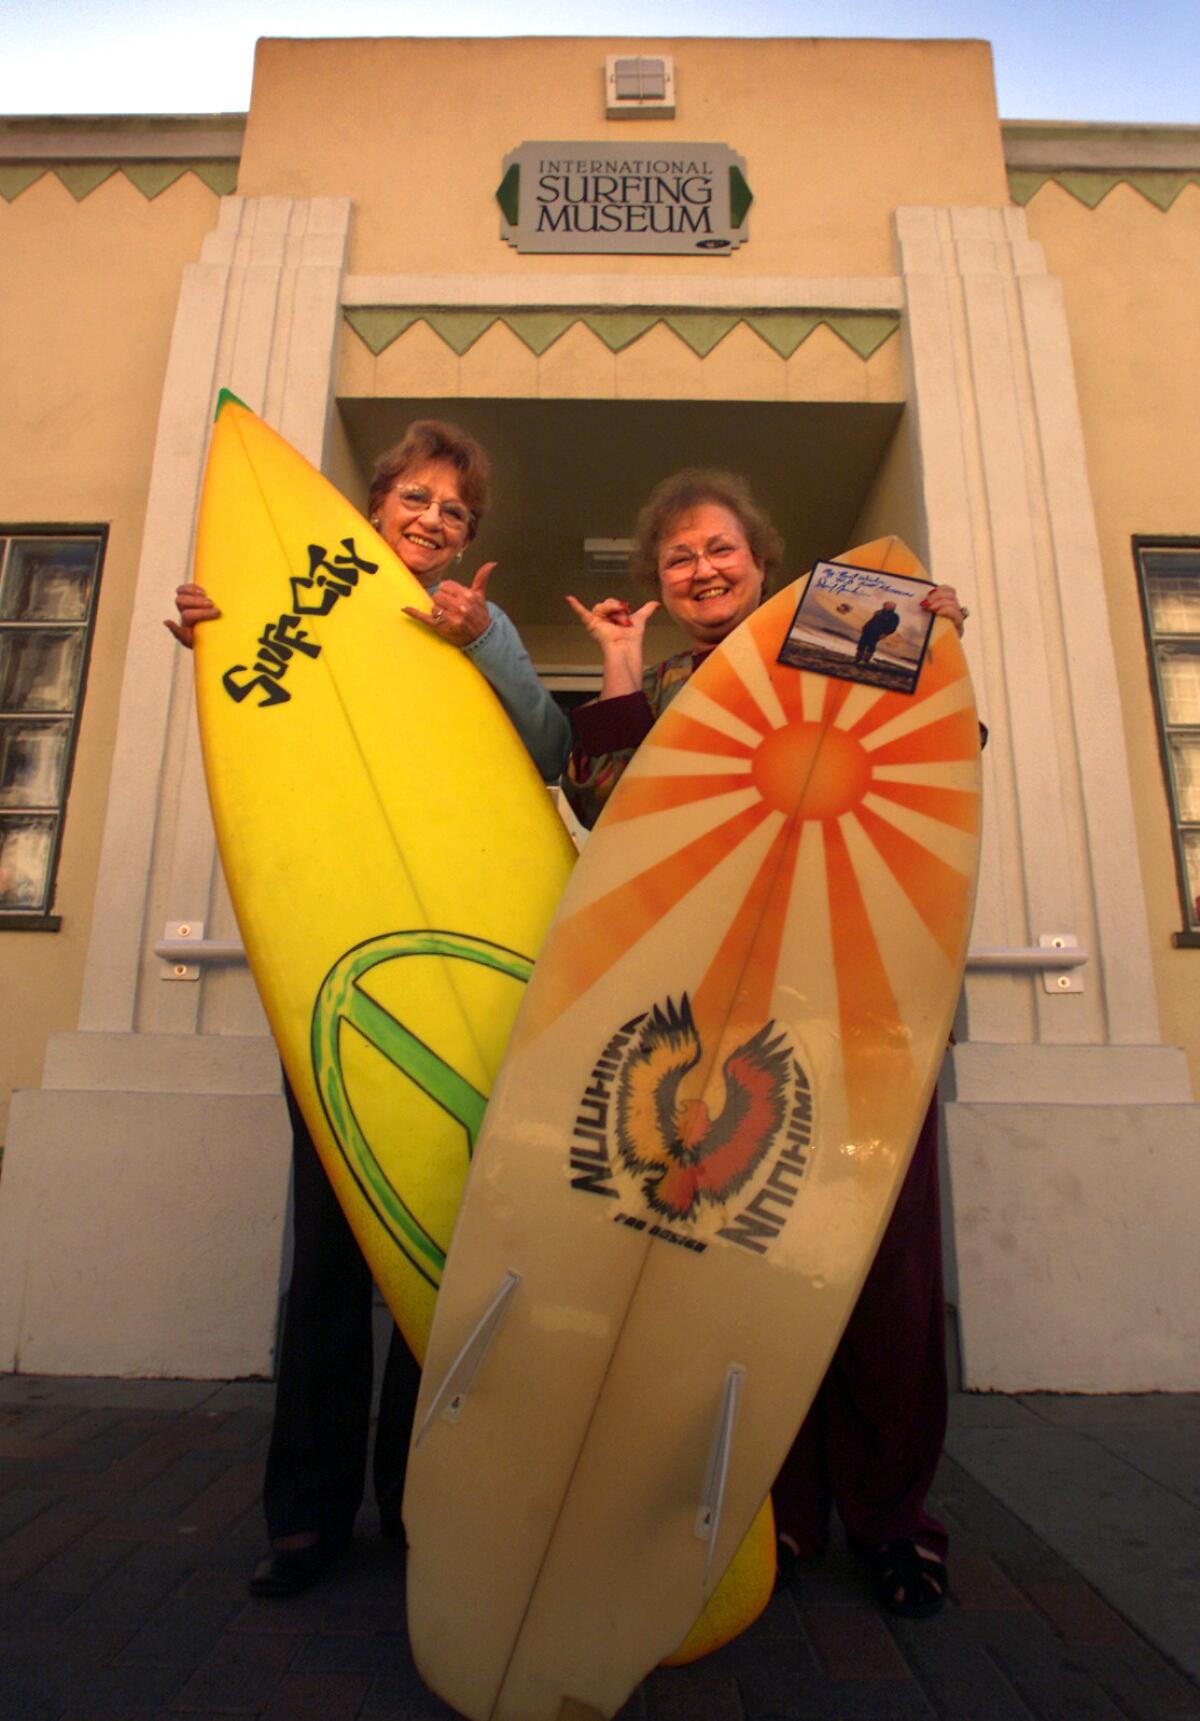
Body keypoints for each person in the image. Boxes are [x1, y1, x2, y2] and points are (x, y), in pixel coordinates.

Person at [169, 418, 569, 1596]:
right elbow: (271, 749)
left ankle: (415, 1499)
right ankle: (304, 1516)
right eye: (417, 497)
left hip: (455, 988)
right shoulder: (300, 616)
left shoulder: (471, 628)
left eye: (456, 510)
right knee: (333, 1271)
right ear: (373, 504)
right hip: (336, 980)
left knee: (441, 1255)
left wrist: (490, 639)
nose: (435, 519)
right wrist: (213, 626)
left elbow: (547, 750)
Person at [563, 468, 968, 1621]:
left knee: (884, 1284)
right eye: (679, 557)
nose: (701, 569)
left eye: (718, 548)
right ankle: (778, 1510)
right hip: (742, 1020)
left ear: (760, 555)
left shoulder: (832, 634)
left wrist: (936, 642)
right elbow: (602, 809)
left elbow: (950, 746)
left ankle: (896, 1520)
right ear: (662, 582)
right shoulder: (681, 682)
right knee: (752, 1275)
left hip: (870, 998)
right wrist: (626, 673)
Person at [855, 598, 900, 665]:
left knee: (871, 646)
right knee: (861, 644)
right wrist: (864, 627)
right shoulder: (878, 612)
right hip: (868, 630)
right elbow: (871, 620)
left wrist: (885, 633)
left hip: (877, 633)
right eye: (887, 605)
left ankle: (865, 660)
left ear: (893, 607)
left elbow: (893, 627)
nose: (887, 606)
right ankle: (857, 659)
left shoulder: (895, 616)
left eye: (890, 605)